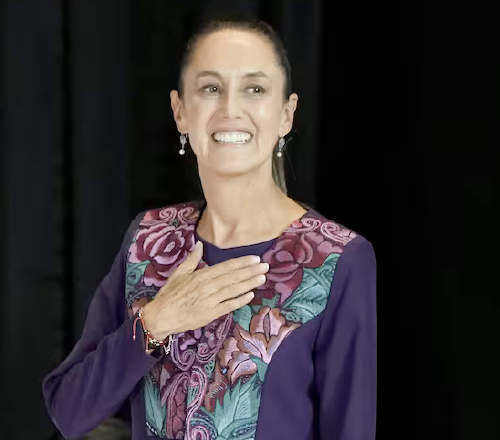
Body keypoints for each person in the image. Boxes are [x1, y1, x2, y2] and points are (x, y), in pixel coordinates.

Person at [43, 17, 377, 440]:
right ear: (180, 112)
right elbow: (69, 410)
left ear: (286, 114)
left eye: (254, 89)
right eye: (211, 88)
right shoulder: (148, 241)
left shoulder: (337, 259)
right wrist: (155, 323)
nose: (230, 109)